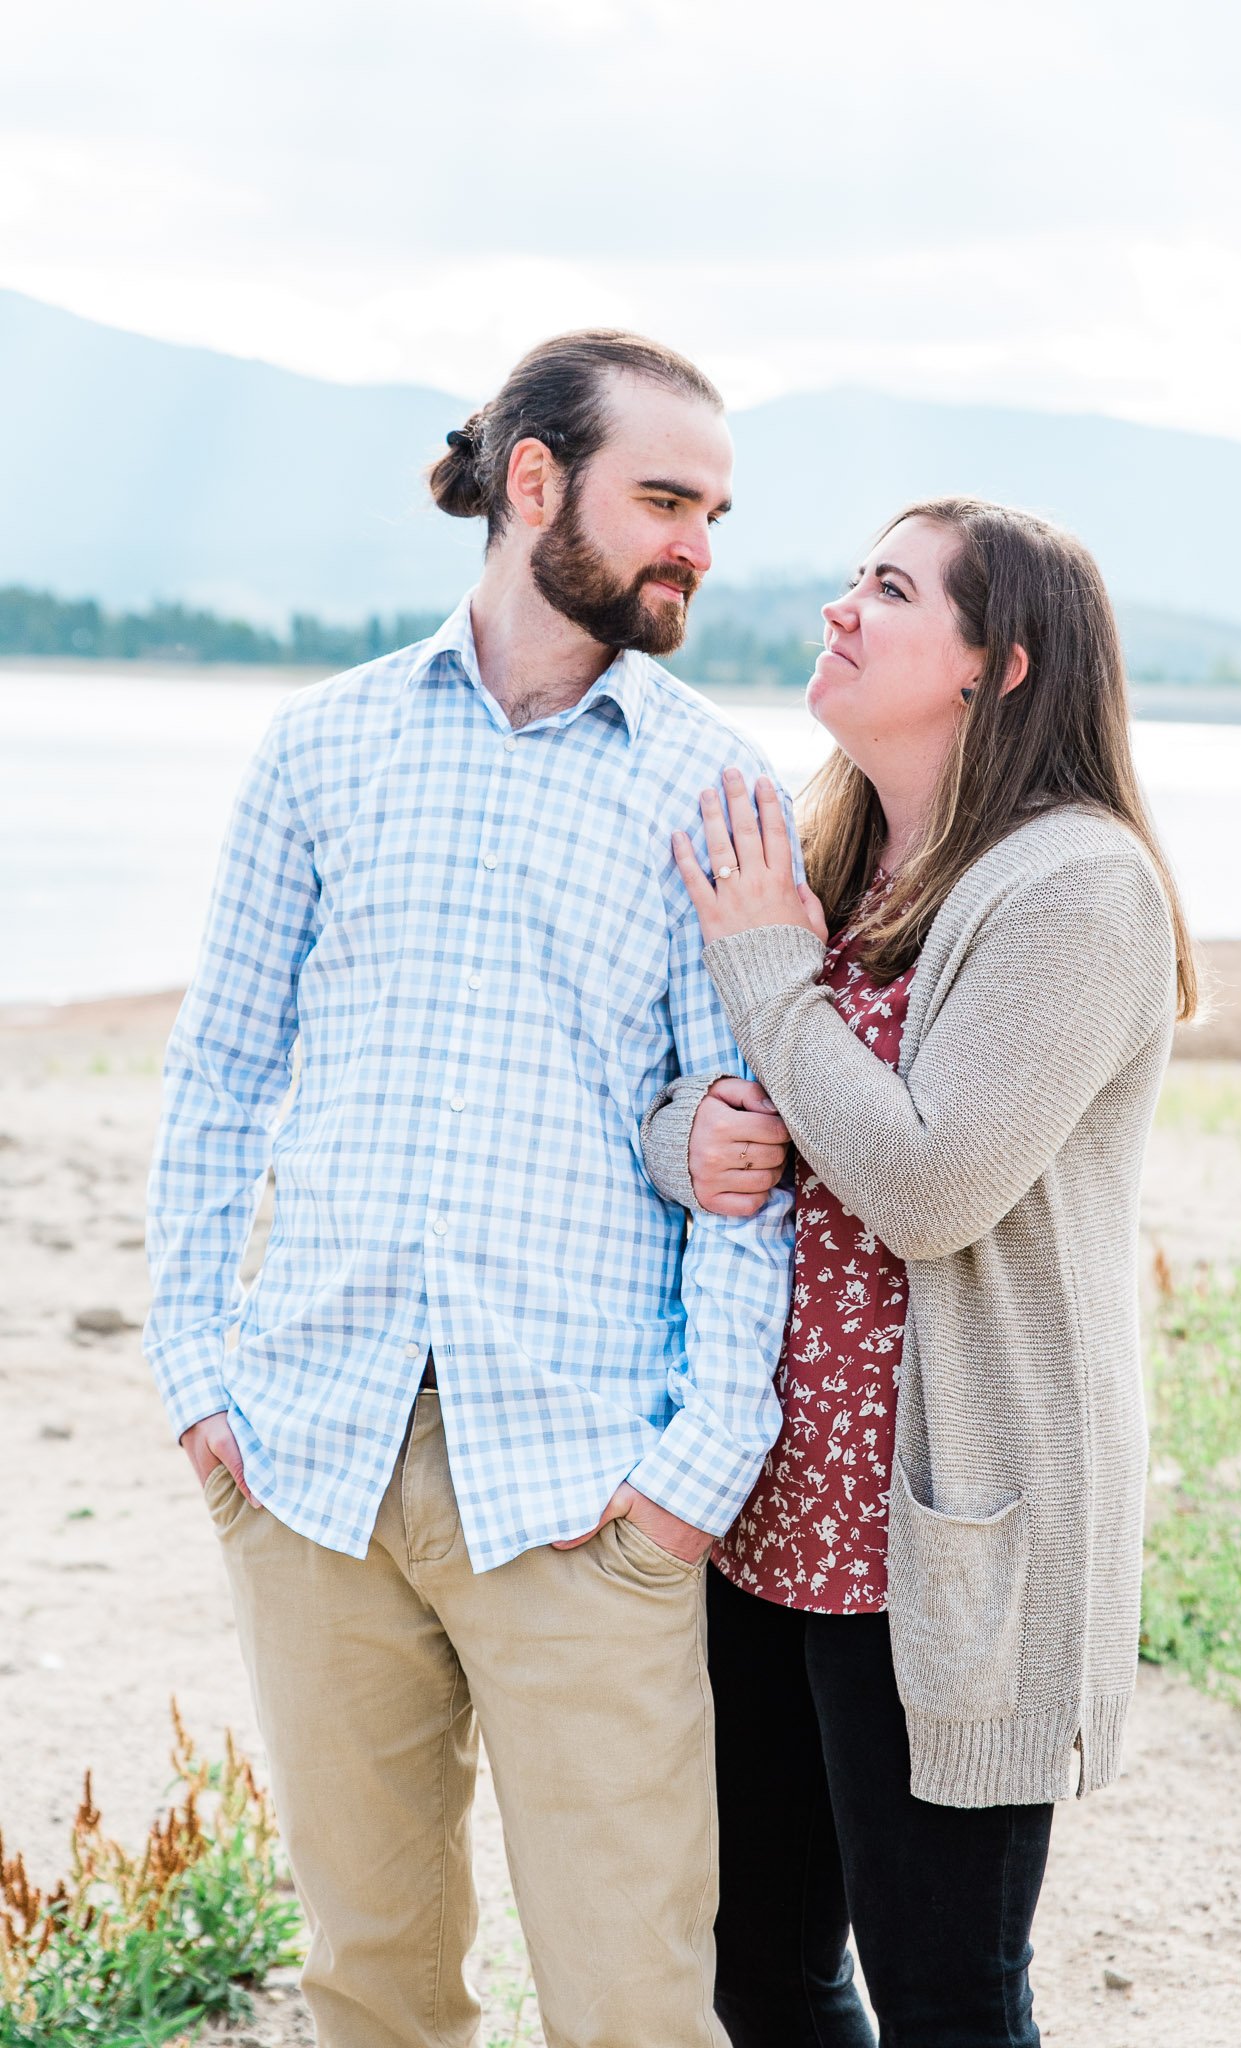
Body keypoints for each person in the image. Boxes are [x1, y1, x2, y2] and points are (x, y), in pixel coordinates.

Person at [142, 330, 797, 2048]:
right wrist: (198, 1379)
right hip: (310, 1466)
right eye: (666, 500)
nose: (699, 549)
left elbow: (748, 1139)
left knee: (634, 2004)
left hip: (586, 1485)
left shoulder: (718, 788)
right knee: (372, 1982)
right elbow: (219, 1077)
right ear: (531, 484)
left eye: (714, 511)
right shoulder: (317, 749)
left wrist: (693, 1474)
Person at [640, 496, 1198, 2048]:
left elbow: (933, 1184)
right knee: (761, 1970)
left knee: (948, 1997)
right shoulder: (823, 852)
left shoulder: (1078, 888)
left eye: (888, 589)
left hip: (948, 1542)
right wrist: (691, 1129)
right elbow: (702, 1078)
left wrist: (767, 976)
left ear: (996, 667)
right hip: (769, 1511)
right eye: (849, 578)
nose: (839, 607)